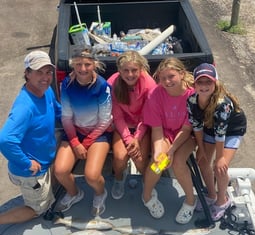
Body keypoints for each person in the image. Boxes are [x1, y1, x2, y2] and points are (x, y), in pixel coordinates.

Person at [0, 50, 61, 224]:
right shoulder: (25, 107)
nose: (45, 77)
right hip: (31, 172)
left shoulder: (46, 90)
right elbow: (5, 140)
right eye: (38, 72)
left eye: (48, 72)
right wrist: (27, 163)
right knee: (36, 209)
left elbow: (57, 109)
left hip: (43, 156)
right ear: (27, 74)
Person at [54, 48, 112, 216]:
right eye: (78, 64)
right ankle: (74, 193)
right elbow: (66, 117)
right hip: (75, 132)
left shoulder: (103, 86)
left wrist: (85, 144)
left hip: (98, 133)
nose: (83, 69)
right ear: (73, 65)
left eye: (87, 64)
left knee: (92, 176)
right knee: (60, 171)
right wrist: (75, 142)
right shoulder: (66, 84)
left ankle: (100, 193)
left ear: (95, 64)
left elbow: (105, 120)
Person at [187, 63, 247, 221]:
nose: (204, 86)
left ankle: (223, 200)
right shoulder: (192, 101)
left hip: (231, 131)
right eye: (200, 82)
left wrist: (220, 158)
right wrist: (200, 149)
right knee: (202, 161)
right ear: (194, 84)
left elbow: (221, 135)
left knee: (219, 167)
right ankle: (211, 195)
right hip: (210, 127)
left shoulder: (223, 104)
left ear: (215, 83)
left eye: (208, 82)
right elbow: (197, 126)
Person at [142, 57, 196, 224]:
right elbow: (157, 129)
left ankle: (190, 201)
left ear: (181, 74)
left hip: (187, 135)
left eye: (171, 76)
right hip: (165, 132)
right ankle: (147, 195)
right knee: (158, 162)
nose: (167, 81)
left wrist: (172, 151)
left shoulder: (192, 96)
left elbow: (187, 129)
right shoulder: (155, 94)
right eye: (163, 78)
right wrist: (159, 151)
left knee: (179, 163)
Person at [107, 51, 156, 199]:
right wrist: (129, 139)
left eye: (134, 70)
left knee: (140, 161)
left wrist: (138, 137)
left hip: (143, 125)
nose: (130, 75)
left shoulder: (149, 85)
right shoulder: (112, 83)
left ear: (141, 69)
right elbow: (118, 116)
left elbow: (147, 115)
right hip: (123, 126)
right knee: (120, 158)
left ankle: (147, 182)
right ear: (119, 71)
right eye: (125, 70)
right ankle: (119, 178)